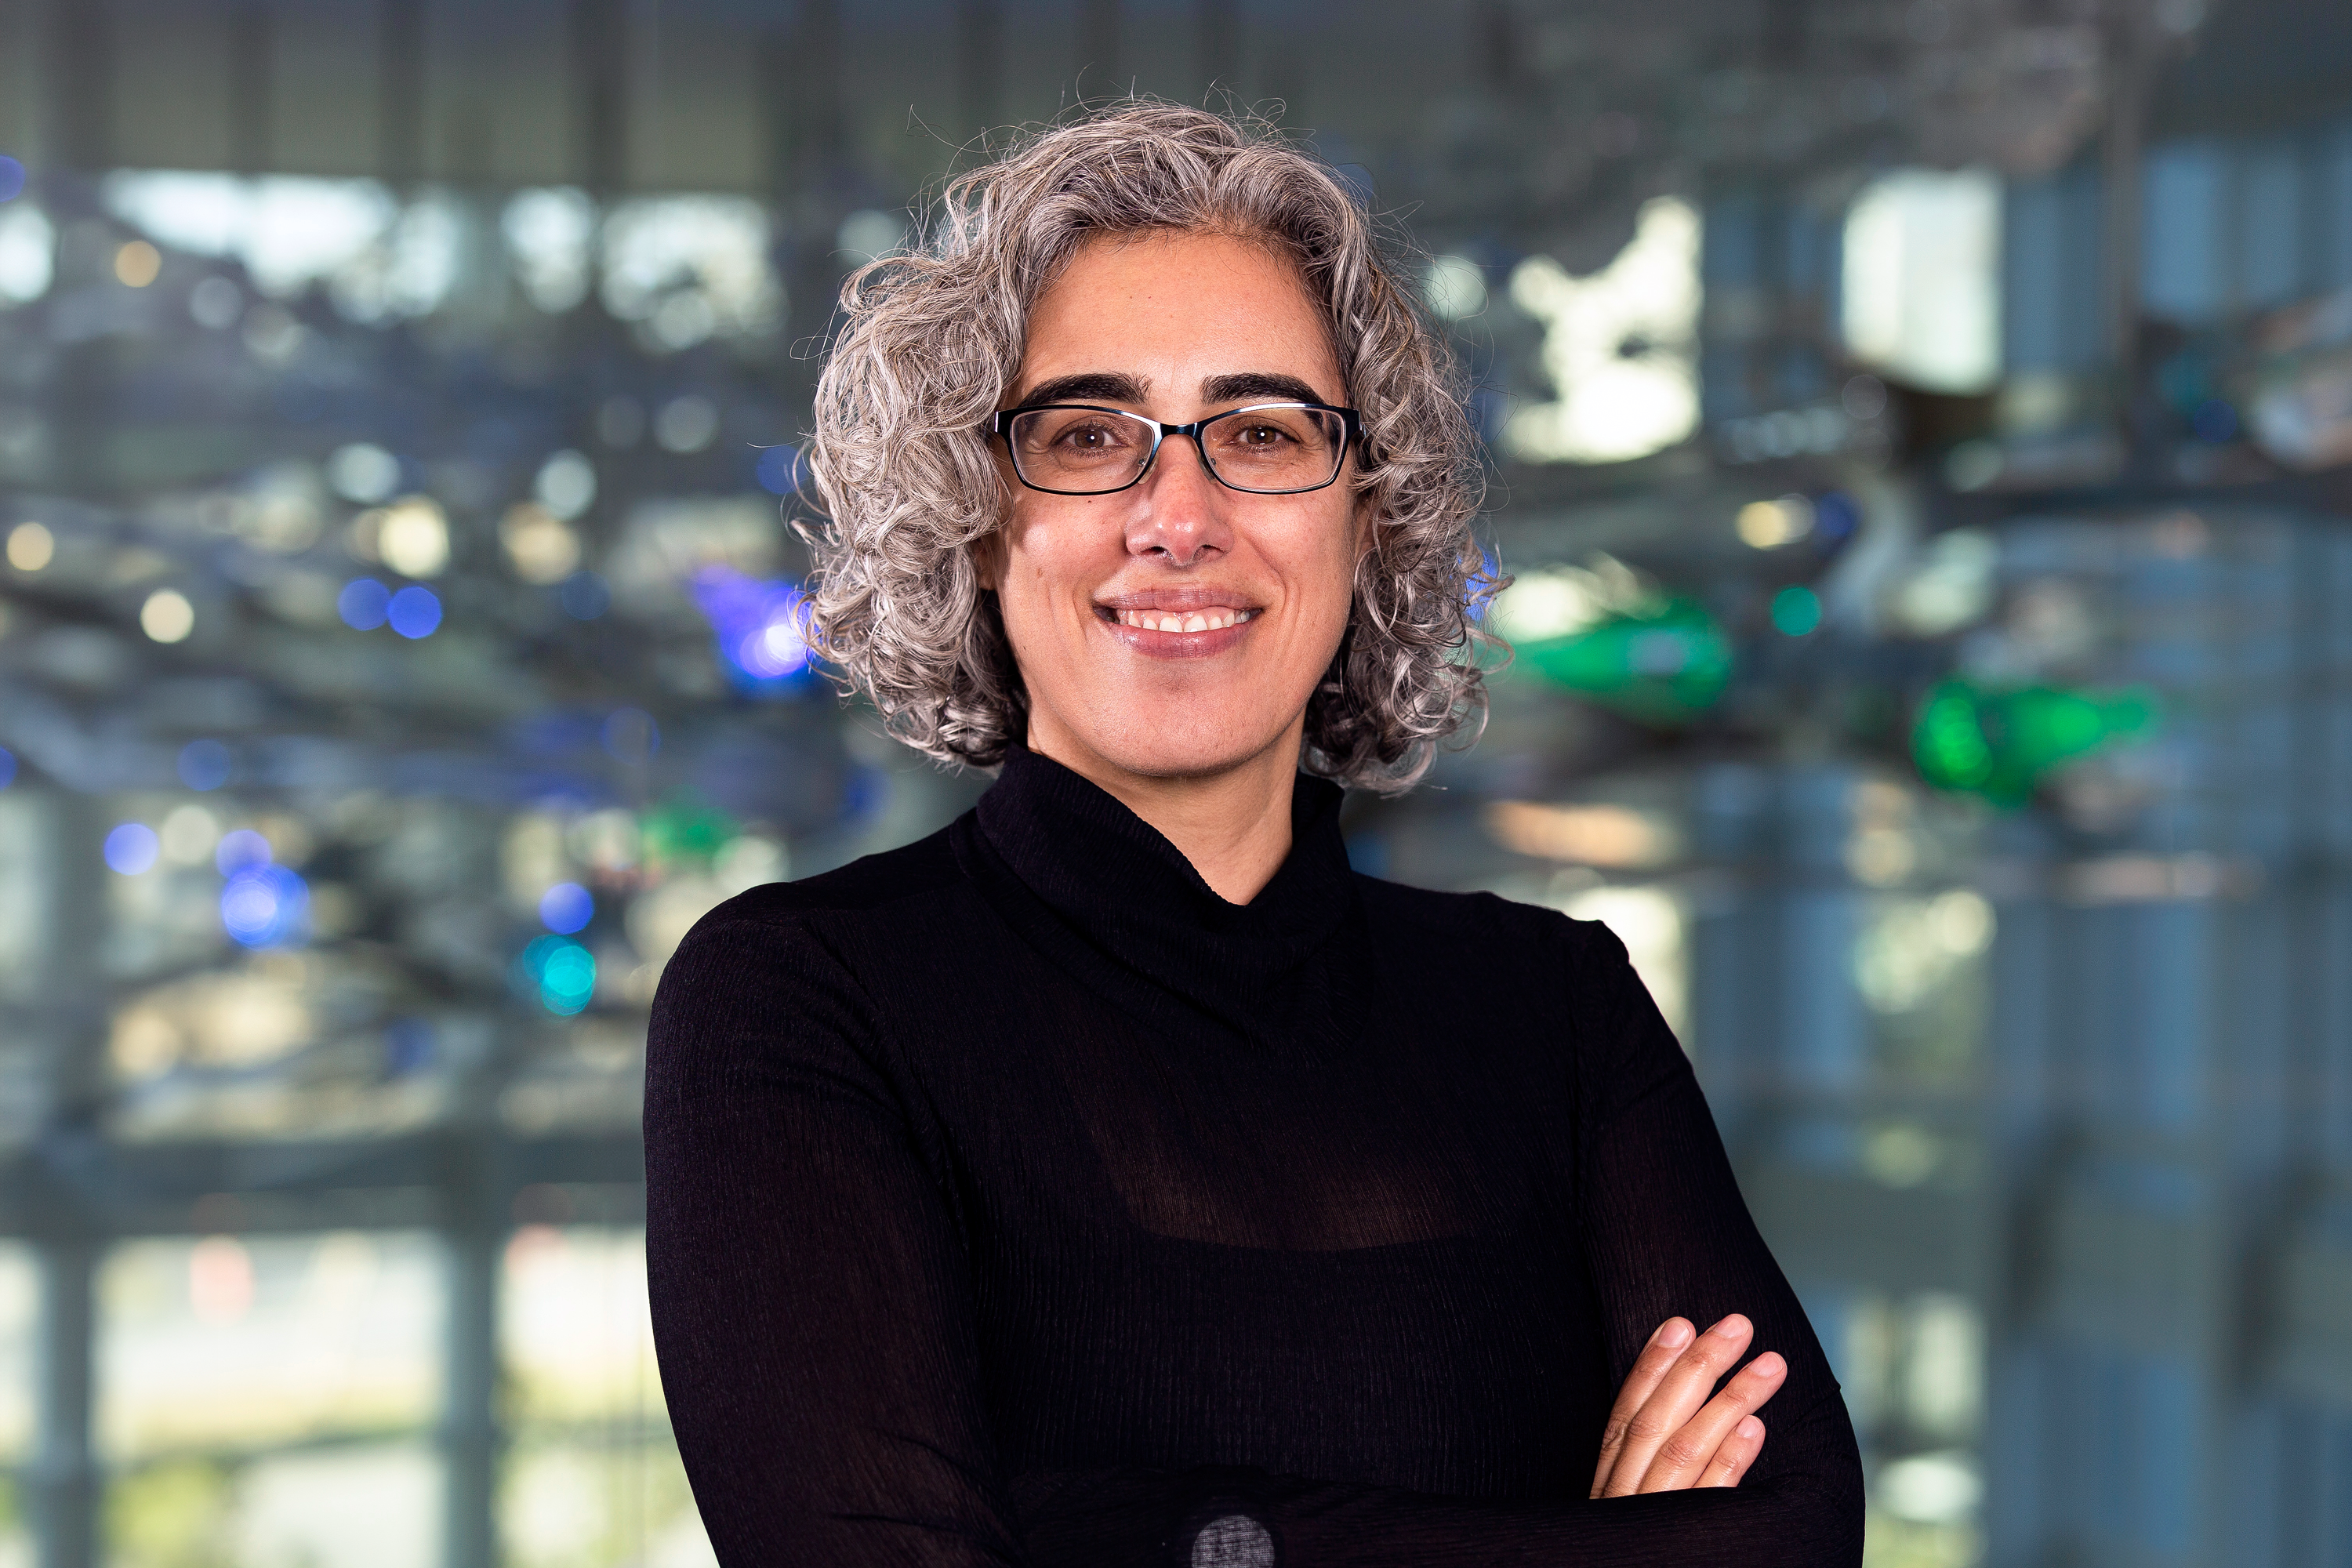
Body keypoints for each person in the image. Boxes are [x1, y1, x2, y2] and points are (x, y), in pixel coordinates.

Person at [645, 101, 1864, 1566]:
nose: (1180, 514)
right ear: (975, 514)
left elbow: (1790, 1534)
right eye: (1088, 435)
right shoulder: (800, 997)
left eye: (1264, 433)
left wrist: (1159, 1533)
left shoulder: (1558, 1013)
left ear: (1370, 516)